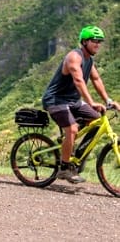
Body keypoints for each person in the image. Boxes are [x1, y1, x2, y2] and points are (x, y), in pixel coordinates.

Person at [42, 25, 119, 184]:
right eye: (94, 41)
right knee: (72, 128)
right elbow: (78, 80)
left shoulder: (89, 60)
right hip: (56, 100)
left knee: (97, 121)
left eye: (100, 41)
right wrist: (91, 102)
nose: (98, 44)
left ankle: (76, 157)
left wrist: (108, 101)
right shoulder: (74, 57)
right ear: (84, 42)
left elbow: (96, 79)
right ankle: (64, 168)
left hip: (73, 101)